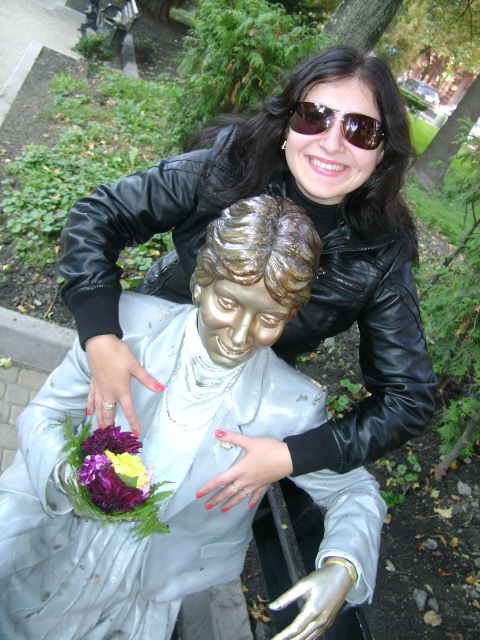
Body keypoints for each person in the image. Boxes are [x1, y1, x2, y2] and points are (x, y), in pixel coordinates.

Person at [58, 44, 437, 503]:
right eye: (315, 116)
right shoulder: (228, 165)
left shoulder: (380, 251)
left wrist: (293, 455)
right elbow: (97, 217)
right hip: (146, 355)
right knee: (78, 472)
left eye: (361, 130)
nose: (332, 143)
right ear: (287, 124)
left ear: (382, 151)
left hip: (240, 392)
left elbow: (408, 397)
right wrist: (101, 335)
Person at [0, 196, 386, 640]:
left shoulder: (289, 404)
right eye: (228, 303)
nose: (240, 335)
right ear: (201, 284)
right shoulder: (127, 328)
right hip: (55, 534)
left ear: (291, 316)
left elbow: (355, 491)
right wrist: (68, 475)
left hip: (143, 589)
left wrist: (342, 566)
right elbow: (46, 413)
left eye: (269, 319)